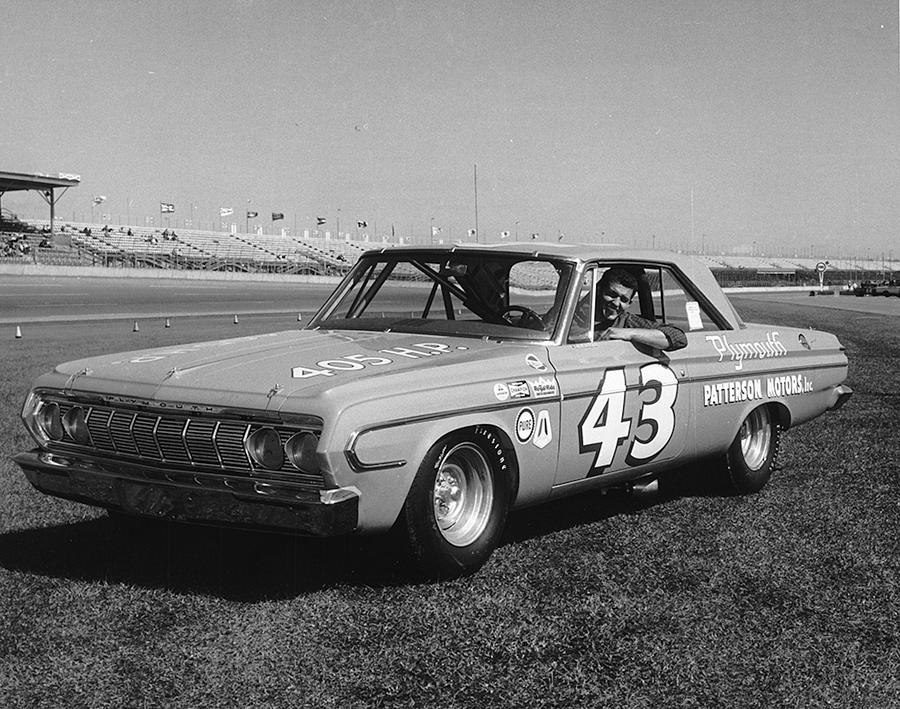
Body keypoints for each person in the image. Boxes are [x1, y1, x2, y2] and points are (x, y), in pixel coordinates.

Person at [573, 267, 686, 351]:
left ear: (629, 303)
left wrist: (629, 333)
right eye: (612, 294)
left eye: (623, 300)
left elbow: (678, 337)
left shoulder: (627, 322)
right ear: (599, 291)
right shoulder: (572, 316)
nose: (616, 303)